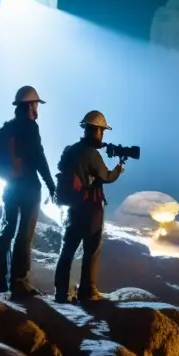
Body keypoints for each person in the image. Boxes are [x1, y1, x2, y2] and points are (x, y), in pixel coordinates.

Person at [53, 110, 125, 303]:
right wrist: (118, 169)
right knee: (91, 249)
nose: (102, 135)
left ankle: (60, 292)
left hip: (72, 208)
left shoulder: (71, 149)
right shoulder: (91, 154)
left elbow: (62, 167)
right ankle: (87, 290)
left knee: (67, 249)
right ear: (97, 131)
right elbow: (107, 177)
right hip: (90, 208)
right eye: (102, 131)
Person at [0, 86, 57, 299]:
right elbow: (39, 156)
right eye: (36, 103)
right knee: (24, 235)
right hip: (29, 187)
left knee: (6, 230)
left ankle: (2, 281)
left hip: (10, 187)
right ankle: (19, 281)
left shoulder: (7, 129)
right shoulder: (31, 128)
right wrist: (51, 184)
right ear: (30, 105)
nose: (37, 107)